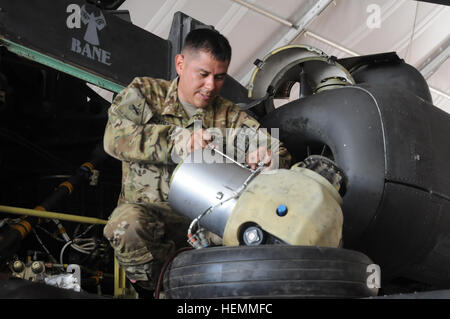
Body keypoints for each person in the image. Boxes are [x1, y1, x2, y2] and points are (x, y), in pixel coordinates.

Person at [102, 28, 291, 295]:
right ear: (180, 64)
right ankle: (165, 287)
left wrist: (270, 158)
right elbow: (115, 138)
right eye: (203, 74)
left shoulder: (229, 116)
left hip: (206, 227)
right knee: (125, 224)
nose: (211, 86)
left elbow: (275, 149)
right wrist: (180, 141)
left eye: (219, 77)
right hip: (150, 220)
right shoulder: (145, 94)